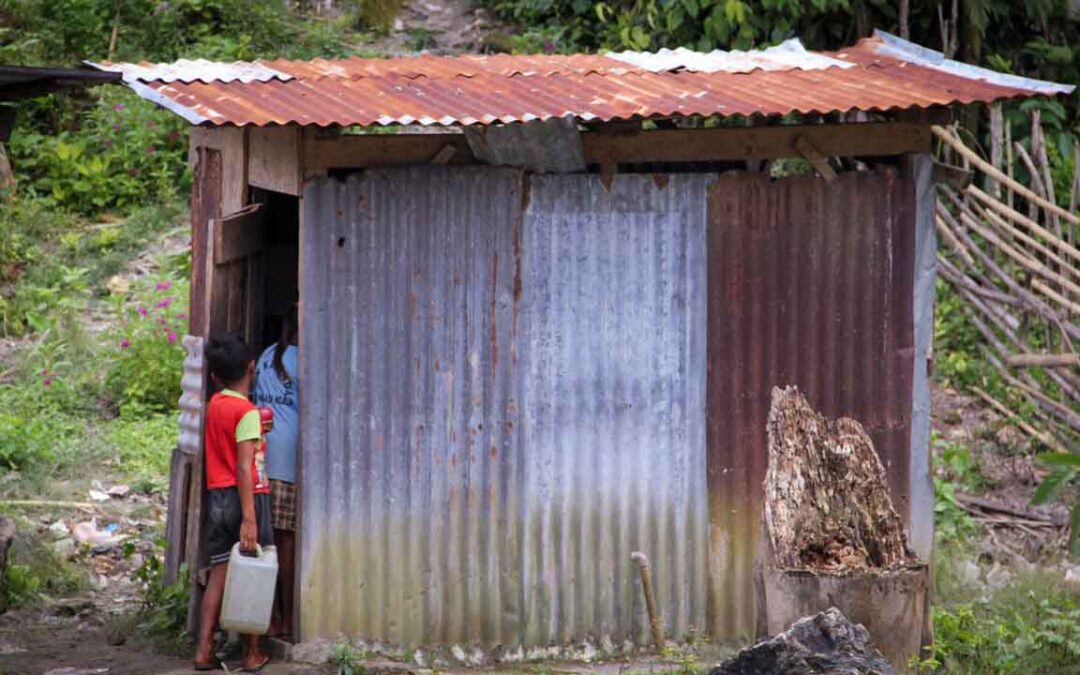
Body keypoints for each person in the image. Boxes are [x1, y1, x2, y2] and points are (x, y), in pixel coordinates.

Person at [194, 332, 272, 673]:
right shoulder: (247, 412)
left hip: (218, 497)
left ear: (215, 377)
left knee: (220, 574)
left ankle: (204, 649)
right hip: (246, 498)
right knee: (254, 571)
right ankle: (252, 652)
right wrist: (250, 518)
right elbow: (244, 467)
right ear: (252, 368)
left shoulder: (215, 405)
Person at [253, 305, 299, 639]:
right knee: (285, 545)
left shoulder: (268, 354)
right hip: (285, 463)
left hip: (259, 457)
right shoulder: (306, 360)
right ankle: (285, 619)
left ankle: (268, 617)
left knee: (265, 541)